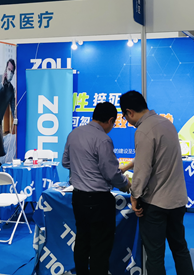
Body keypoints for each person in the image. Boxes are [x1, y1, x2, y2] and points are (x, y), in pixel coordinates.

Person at [120, 90, 194, 275]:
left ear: (129, 112)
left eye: (124, 116)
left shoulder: (143, 130)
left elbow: (143, 169)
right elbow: (154, 155)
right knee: (180, 249)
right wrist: (127, 166)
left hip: (155, 204)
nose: (126, 120)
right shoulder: (166, 123)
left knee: (154, 256)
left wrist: (134, 196)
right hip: (177, 200)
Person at [62, 102, 131, 275]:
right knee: (100, 246)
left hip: (78, 197)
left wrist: (82, 169)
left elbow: (65, 162)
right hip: (99, 200)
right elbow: (111, 173)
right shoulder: (103, 139)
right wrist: (125, 184)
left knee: (82, 240)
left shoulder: (74, 133)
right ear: (110, 120)